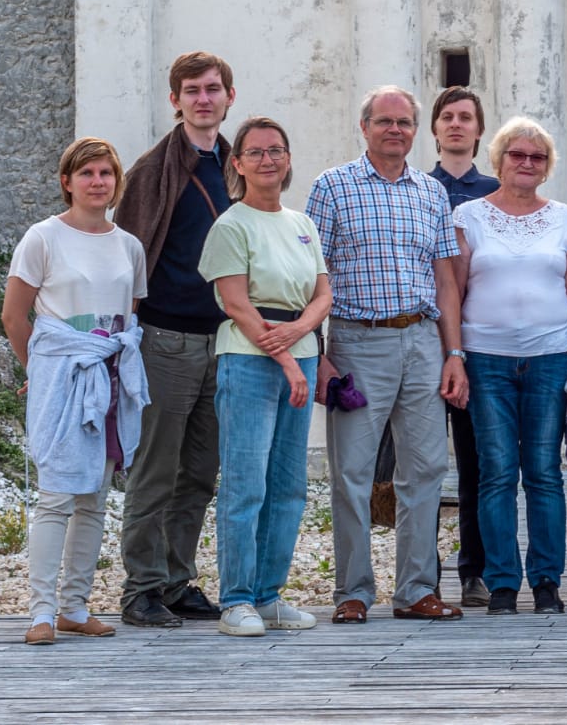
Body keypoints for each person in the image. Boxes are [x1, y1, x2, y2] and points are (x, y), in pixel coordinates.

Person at [306, 85, 469, 625]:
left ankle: (416, 590)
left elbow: (446, 280)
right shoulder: (331, 188)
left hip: (423, 340)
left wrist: (454, 353)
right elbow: (313, 277)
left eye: (403, 122)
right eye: (384, 121)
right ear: (365, 126)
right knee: (351, 472)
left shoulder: (431, 193)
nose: (394, 129)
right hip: (357, 341)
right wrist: (321, 352)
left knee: (425, 470)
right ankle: (352, 591)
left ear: (414, 130)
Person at [3, 138, 148, 646]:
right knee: (57, 495)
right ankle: (41, 612)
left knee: (94, 497)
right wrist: (40, 370)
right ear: (67, 181)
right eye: (86, 173)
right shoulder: (42, 239)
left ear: (116, 181)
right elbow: (15, 316)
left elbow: (126, 317)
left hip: (109, 378)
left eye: (106, 173)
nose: (97, 182)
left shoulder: (128, 245)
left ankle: (75, 606)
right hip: (63, 379)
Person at [453, 116, 567, 615]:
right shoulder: (468, 217)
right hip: (486, 359)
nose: (527, 163)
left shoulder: (564, 220)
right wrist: (454, 354)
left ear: (547, 166)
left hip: (550, 358)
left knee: (542, 472)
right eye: (517, 154)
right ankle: (501, 584)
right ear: (499, 160)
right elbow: (454, 290)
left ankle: (547, 582)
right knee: (495, 472)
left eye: (537, 157)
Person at [198, 117, 333, 637]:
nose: (267, 160)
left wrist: (300, 332)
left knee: (288, 485)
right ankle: (235, 600)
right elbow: (237, 303)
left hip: (299, 351)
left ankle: (269, 595)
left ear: (288, 159)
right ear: (238, 164)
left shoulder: (302, 223)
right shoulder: (232, 225)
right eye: (255, 152)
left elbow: (323, 292)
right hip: (250, 359)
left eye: (276, 150)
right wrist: (284, 357)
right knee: (245, 483)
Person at [114, 51, 234, 627]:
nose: (203, 98)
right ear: (176, 100)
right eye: (192, 90)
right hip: (164, 340)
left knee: (200, 475)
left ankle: (176, 580)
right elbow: (125, 258)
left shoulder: (238, 167)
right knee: (154, 472)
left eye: (213, 88)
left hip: (225, 341)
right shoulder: (151, 170)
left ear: (228, 97)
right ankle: (140, 589)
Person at [428, 85, 500, 609]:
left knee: (479, 462)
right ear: (435, 129)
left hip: (478, 343)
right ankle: (420, 572)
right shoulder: (413, 188)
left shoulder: (497, 192)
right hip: (420, 341)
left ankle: (473, 569)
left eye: (465, 118)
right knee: (423, 462)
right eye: (447, 117)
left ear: (478, 130)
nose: (456, 125)